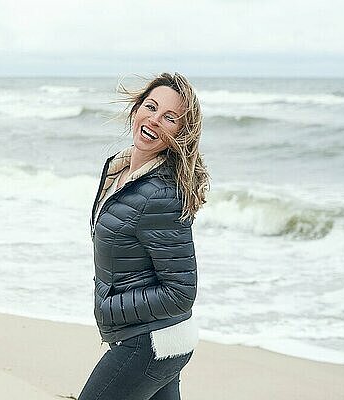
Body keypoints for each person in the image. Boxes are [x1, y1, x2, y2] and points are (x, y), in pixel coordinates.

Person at [79, 72, 210, 400]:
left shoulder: (161, 194)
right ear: (136, 109)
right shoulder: (119, 170)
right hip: (160, 339)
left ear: (180, 133)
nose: (155, 119)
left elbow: (181, 292)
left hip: (151, 342)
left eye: (170, 118)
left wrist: (109, 307)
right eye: (150, 107)